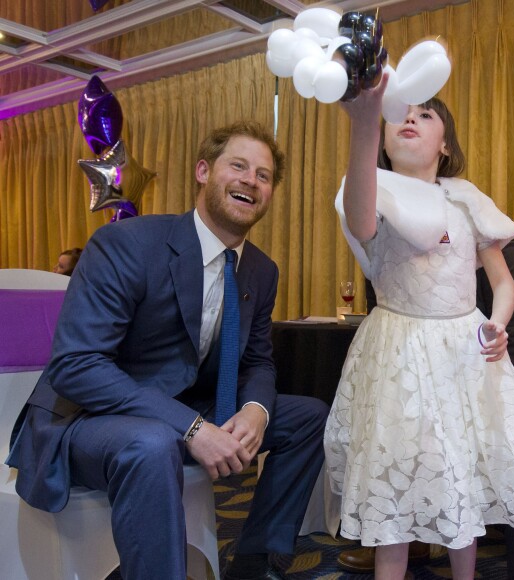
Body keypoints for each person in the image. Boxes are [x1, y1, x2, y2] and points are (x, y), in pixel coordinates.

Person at [7, 120, 329, 580]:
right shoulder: (127, 245)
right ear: (202, 171)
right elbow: (77, 367)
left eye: (263, 175)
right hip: (84, 418)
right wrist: (192, 426)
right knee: (153, 442)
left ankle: (257, 564)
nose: (250, 181)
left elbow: (257, 360)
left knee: (306, 416)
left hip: (179, 408)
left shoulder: (261, 270)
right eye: (237, 165)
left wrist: (257, 408)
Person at [323, 72, 514, 580]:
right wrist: (363, 125)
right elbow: (361, 218)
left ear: (446, 144)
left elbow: (503, 285)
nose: (409, 118)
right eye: (398, 114)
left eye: (425, 114)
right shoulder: (373, 193)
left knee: (462, 481)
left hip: (460, 354)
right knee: (392, 497)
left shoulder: (466, 201)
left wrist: (497, 326)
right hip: (396, 357)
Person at [339, 236, 514, 579]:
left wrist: (462, 397)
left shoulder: (496, 246)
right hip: (432, 382)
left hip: (511, 380)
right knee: (398, 435)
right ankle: (407, 535)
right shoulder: (393, 242)